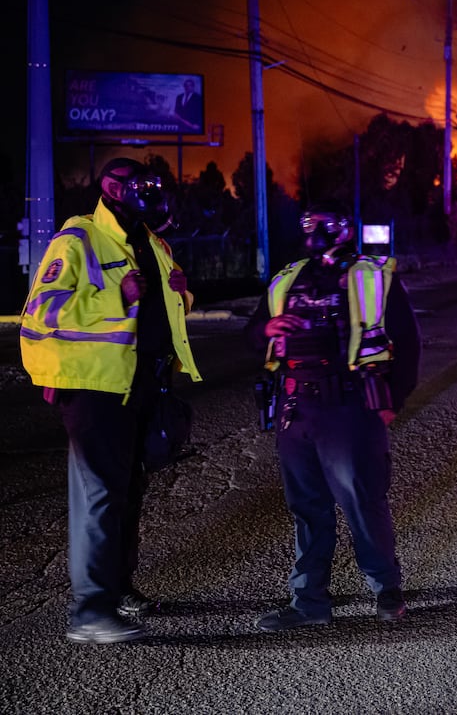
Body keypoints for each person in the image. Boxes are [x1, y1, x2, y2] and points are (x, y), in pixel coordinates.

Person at [20, 157, 201, 644]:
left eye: (154, 186)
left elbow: (161, 305)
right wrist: (114, 298)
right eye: (140, 186)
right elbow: (41, 312)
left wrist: (182, 296)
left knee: (127, 493)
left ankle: (119, 589)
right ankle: (90, 612)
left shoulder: (150, 241)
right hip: (95, 388)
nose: (150, 194)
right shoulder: (77, 238)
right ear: (110, 187)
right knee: (99, 495)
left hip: (143, 385)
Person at [244, 201, 420, 631]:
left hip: (349, 405)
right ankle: (309, 602)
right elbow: (253, 331)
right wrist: (266, 330)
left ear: (343, 229)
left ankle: (386, 591)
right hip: (295, 406)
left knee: (362, 501)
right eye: (309, 227)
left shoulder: (373, 275)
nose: (314, 234)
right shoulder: (288, 277)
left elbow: (408, 342)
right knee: (307, 507)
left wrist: (391, 401)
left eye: (322, 226)